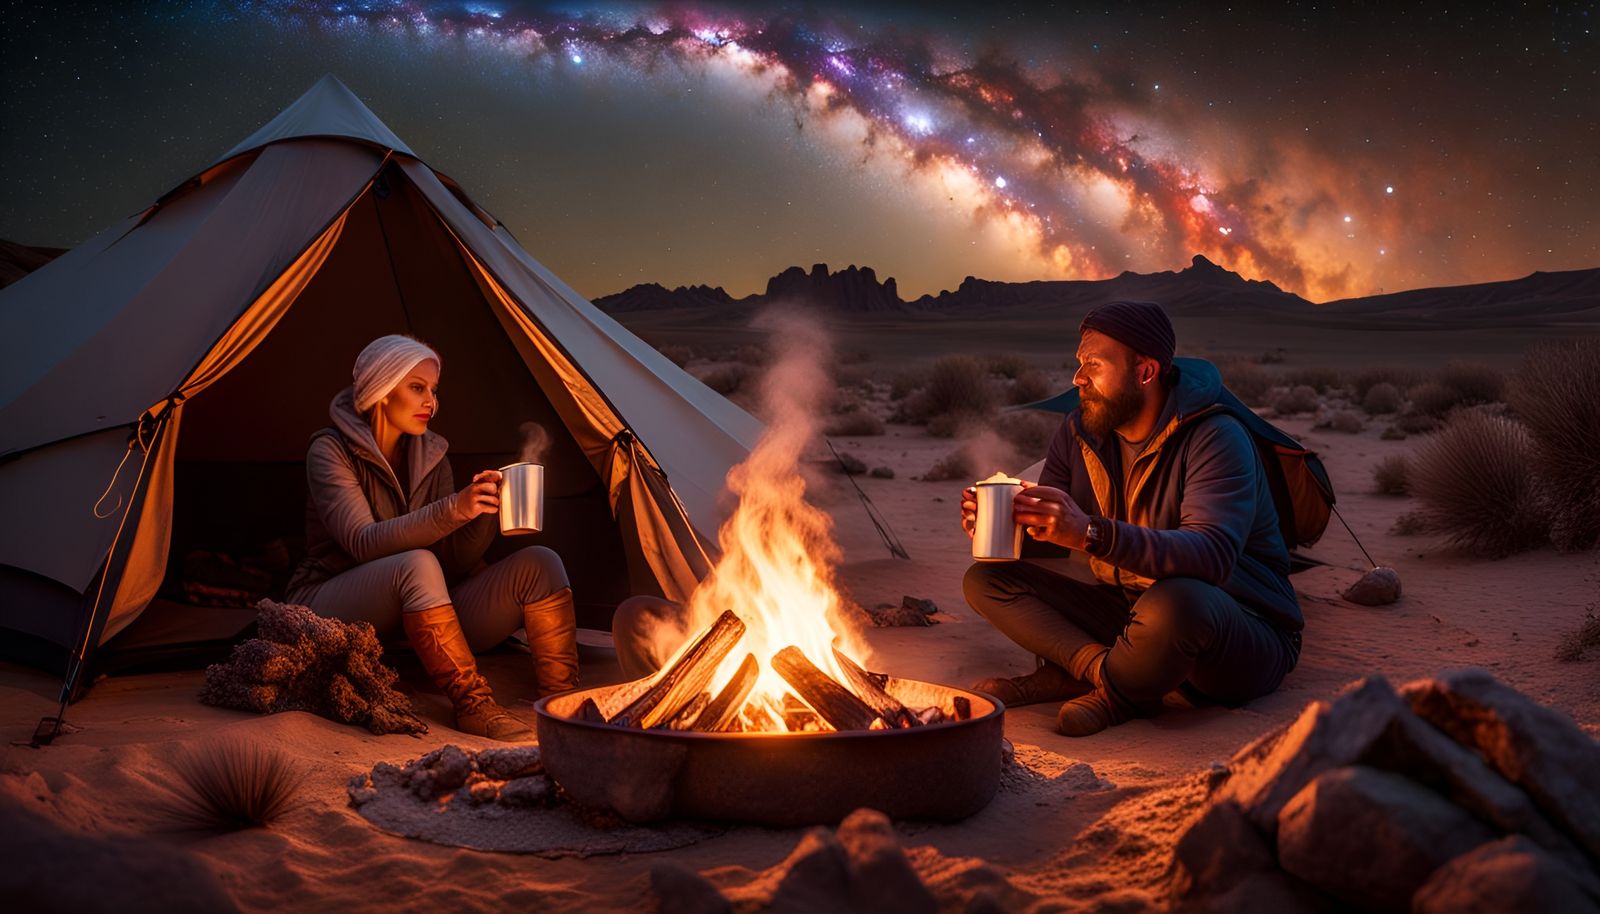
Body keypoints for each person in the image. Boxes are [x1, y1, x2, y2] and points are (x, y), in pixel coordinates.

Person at [960, 301, 1302, 736]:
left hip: (1237, 626)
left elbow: (1213, 557)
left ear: (1144, 371)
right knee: (987, 580)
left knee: (1178, 603)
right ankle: (1099, 670)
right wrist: (1007, 526)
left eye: (1093, 364)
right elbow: (1053, 540)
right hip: (1130, 611)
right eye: (1079, 363)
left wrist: (1089, 531)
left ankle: (1116, 696)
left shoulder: (1214, 436)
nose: (1077, 378)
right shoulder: (1078, 430)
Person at [285, 334, 578, 741]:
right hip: (331, 602)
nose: (431, 402)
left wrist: (482, 511)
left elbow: (452, 563)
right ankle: (473, 704)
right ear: (382, 390)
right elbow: (363, 543)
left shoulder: (432, 455)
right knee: (417, 564)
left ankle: (564, 701)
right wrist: (453, 509)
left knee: (541, 563)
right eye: (417, 388)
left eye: (434, 391)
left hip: (419, 614)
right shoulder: (329, 450)